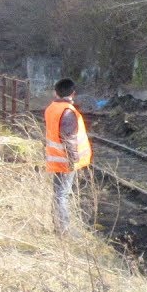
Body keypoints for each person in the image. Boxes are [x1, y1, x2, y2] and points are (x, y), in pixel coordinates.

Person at [44, 77, 91, 233]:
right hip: (66, 160)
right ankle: (64, 230)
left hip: (56, 158)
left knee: (58, 193)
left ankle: (58, 226)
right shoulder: (68, 112)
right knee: (62, 194)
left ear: (55, 93)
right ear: (73, 93)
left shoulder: (51, 108)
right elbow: (69, 139)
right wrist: (73, 160)